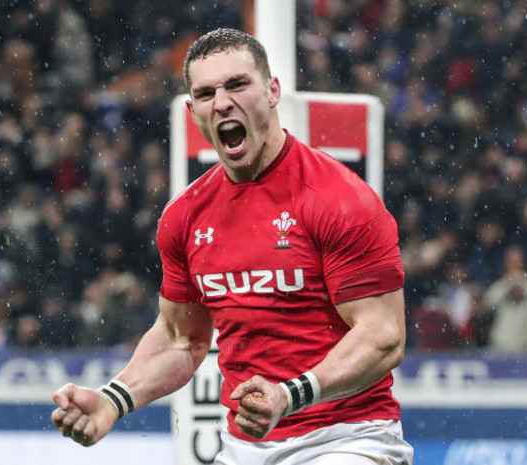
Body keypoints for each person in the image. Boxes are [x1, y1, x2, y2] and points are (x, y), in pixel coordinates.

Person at [51, 28, 413, 465]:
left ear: (273, 90)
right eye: (206, 93)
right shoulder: (184, 217)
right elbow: (180, 339)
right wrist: (113, 400)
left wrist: (289, 395)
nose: (222, 102)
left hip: (348, 440)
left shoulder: (340, 199)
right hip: (244, 450)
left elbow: (383, 337)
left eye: (238, 85)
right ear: (194, 111)